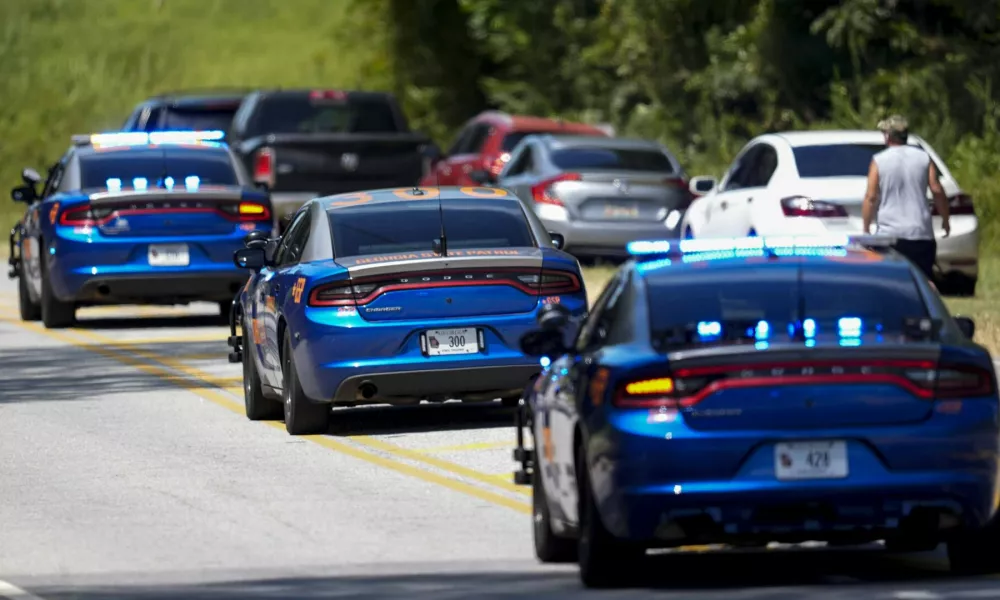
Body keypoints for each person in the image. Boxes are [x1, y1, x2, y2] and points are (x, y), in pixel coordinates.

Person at [862, 114, 950, 280]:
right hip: (920, 233)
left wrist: (866, 230)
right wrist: (945, 220)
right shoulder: (924, 157)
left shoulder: (879, 160)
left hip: (890, 235)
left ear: (888, 136)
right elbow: (937, 189)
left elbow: (871, 197)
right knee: (924, 281)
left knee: (890, 280)